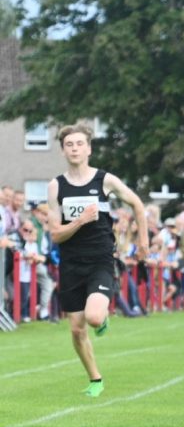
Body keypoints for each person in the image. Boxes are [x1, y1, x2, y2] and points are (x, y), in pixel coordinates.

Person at [46, 124, 149, 397]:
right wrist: (79, 221)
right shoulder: (56, 186)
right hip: (70, 263)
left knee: (92, 318)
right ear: (63, 150)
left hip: (100, 260)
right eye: (69, 144)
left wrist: (143, 242)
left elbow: (138, 204)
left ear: (89, 149)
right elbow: (56, 234)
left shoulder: (104, 180)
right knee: (77, 329)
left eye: (79, 143)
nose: (75, 148)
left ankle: (101, 317)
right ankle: (95, 379)